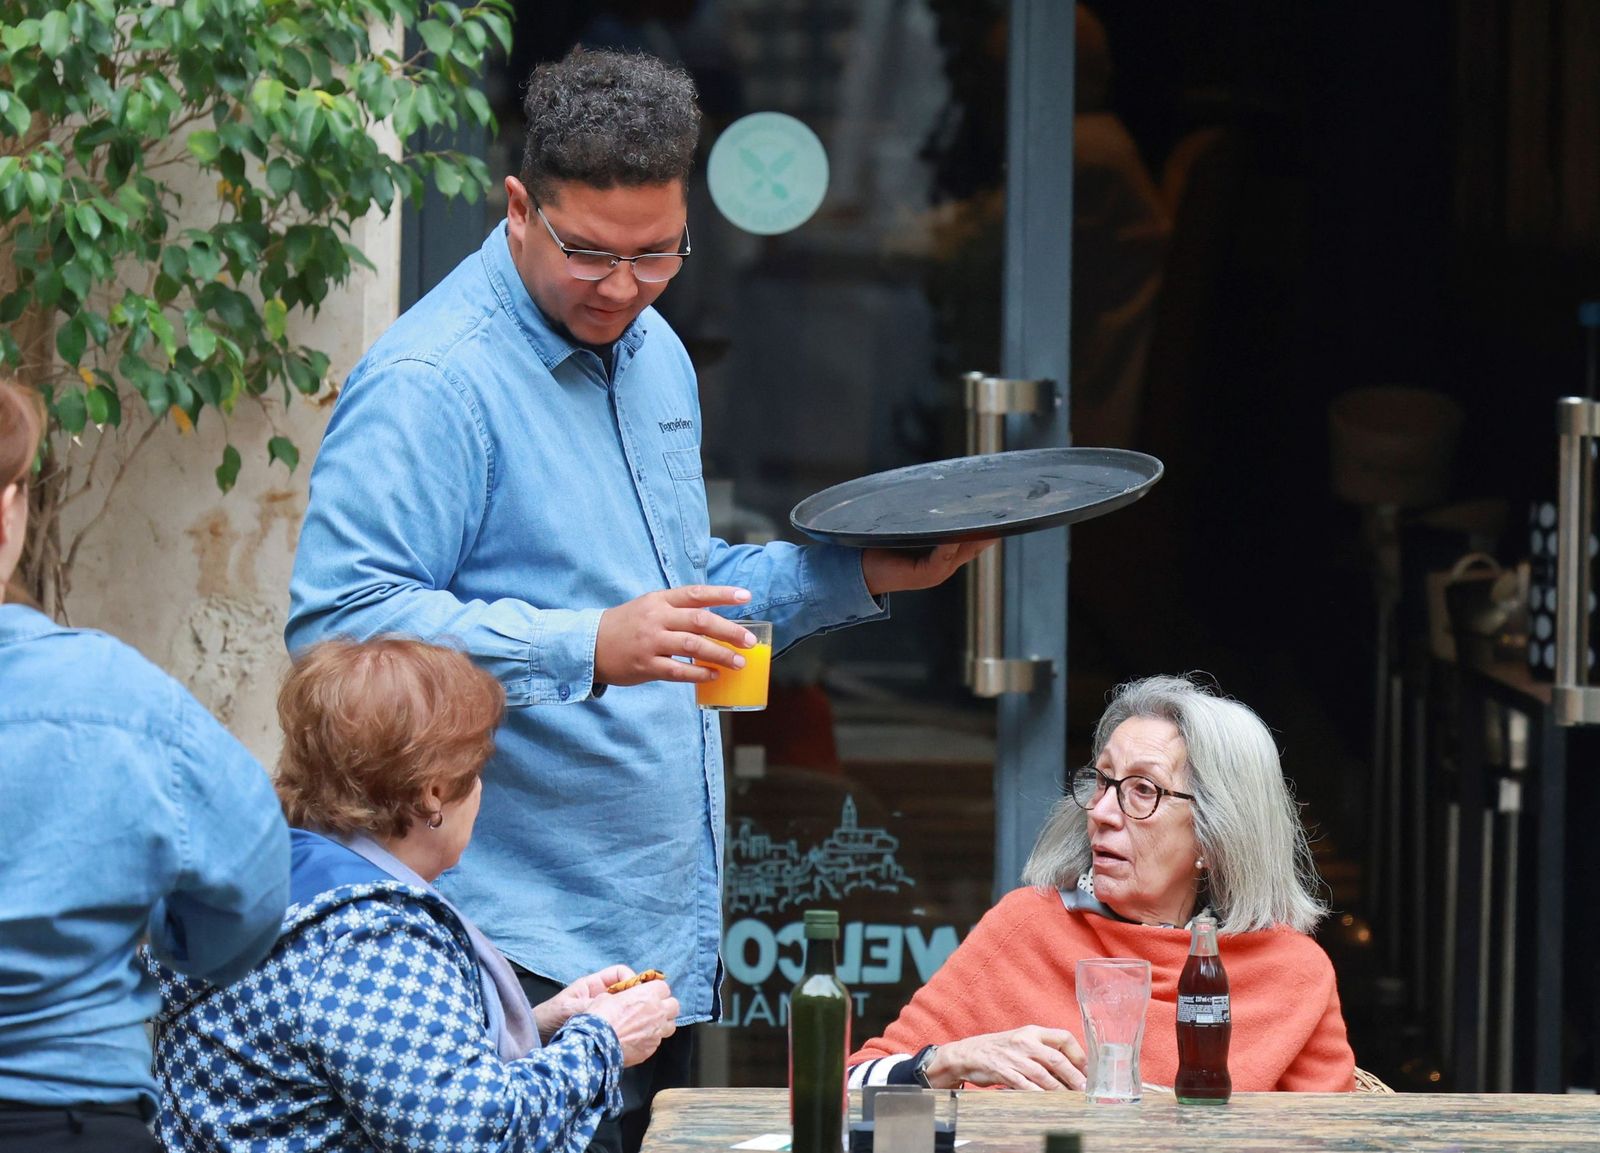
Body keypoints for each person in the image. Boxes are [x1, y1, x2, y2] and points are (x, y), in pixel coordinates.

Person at [285, 46, 989, 1151]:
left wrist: (851, 571)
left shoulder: (652, 347)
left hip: (632, 940)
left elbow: (675, 585)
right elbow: (336, 623)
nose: (622, 287)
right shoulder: (431, 384)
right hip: (501, 934)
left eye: (658, 254)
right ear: (518, 209)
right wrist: (587, 644)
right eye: (589, 254)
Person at [149, 637, 682, 1152]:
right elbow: (471, 1134)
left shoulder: (272, 878)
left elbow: (357, 1068)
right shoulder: (365, 933)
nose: (479, 791)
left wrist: (543, 1025)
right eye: (475, 774)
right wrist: (602, 1041)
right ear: (432, 793)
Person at [0, 377, 290, 1152]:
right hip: (69, 1116)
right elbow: (253, 887)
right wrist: (168, 935)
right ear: (6, 514)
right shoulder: (117, 699)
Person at [848, 675, 1356, 1092]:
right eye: (1103, 780)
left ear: (1214, 833)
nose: (1101, 810)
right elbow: (849, 1089)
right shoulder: (1027, 926)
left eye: (1143, 790)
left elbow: (1336, 1140)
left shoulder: (1291, 972)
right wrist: (947, 1060)